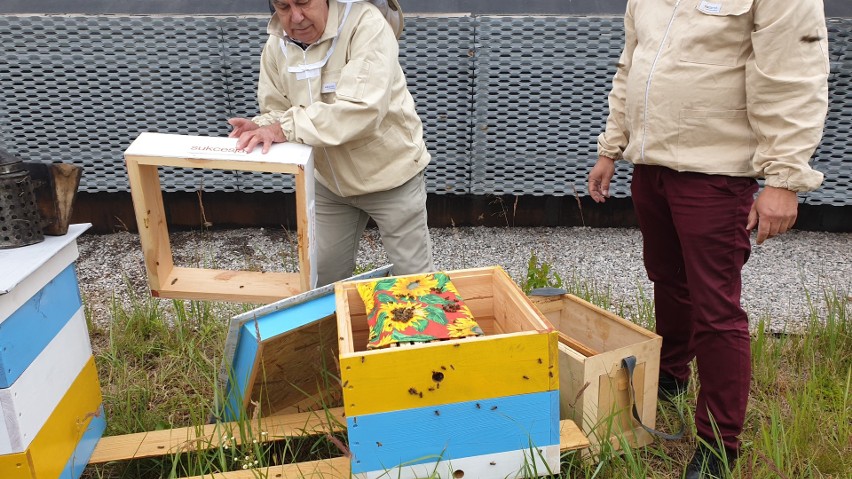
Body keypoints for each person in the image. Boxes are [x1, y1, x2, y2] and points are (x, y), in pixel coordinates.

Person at [587, 1, 829, 477]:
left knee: (716, 307)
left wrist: (783, 179)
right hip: (650, 166)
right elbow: (631, 63)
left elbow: (794, 74)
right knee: (666, 278)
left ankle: (718, 445)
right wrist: (611, 147)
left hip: (717, 175)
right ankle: (673, 377)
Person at [229, 0, 434, 286]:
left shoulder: (366, 25)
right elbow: (277, 109)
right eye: (283, 6)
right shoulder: (277, 45)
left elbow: (362, 110)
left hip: (391, 175)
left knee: (415, 279)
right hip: (329, 183)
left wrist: (283, 127)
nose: (295, 17)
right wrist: (262, 127)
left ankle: (424, 332)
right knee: (324, 277)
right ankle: (336, 331)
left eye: (303, 2)